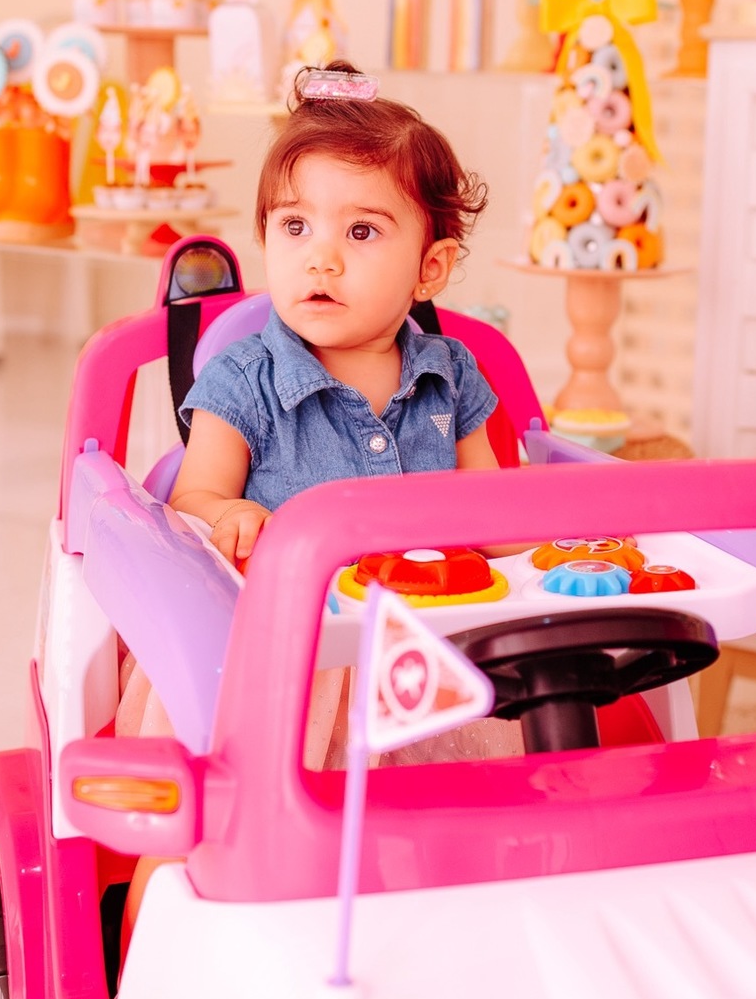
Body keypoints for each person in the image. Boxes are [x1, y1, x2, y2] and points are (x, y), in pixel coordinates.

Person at [116, 59, 504, 765]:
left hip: (427, 650)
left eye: (360, 233)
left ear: (431, 268)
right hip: (291, 661)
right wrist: (230, 516)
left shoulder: (451, 376)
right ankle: (169, 875)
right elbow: (193, 496)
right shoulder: (244, 380)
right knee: (233, 806)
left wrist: (569, 539)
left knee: (483, 787)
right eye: (295, 226)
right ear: (266, 238)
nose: (320, 259)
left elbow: (497, 510)